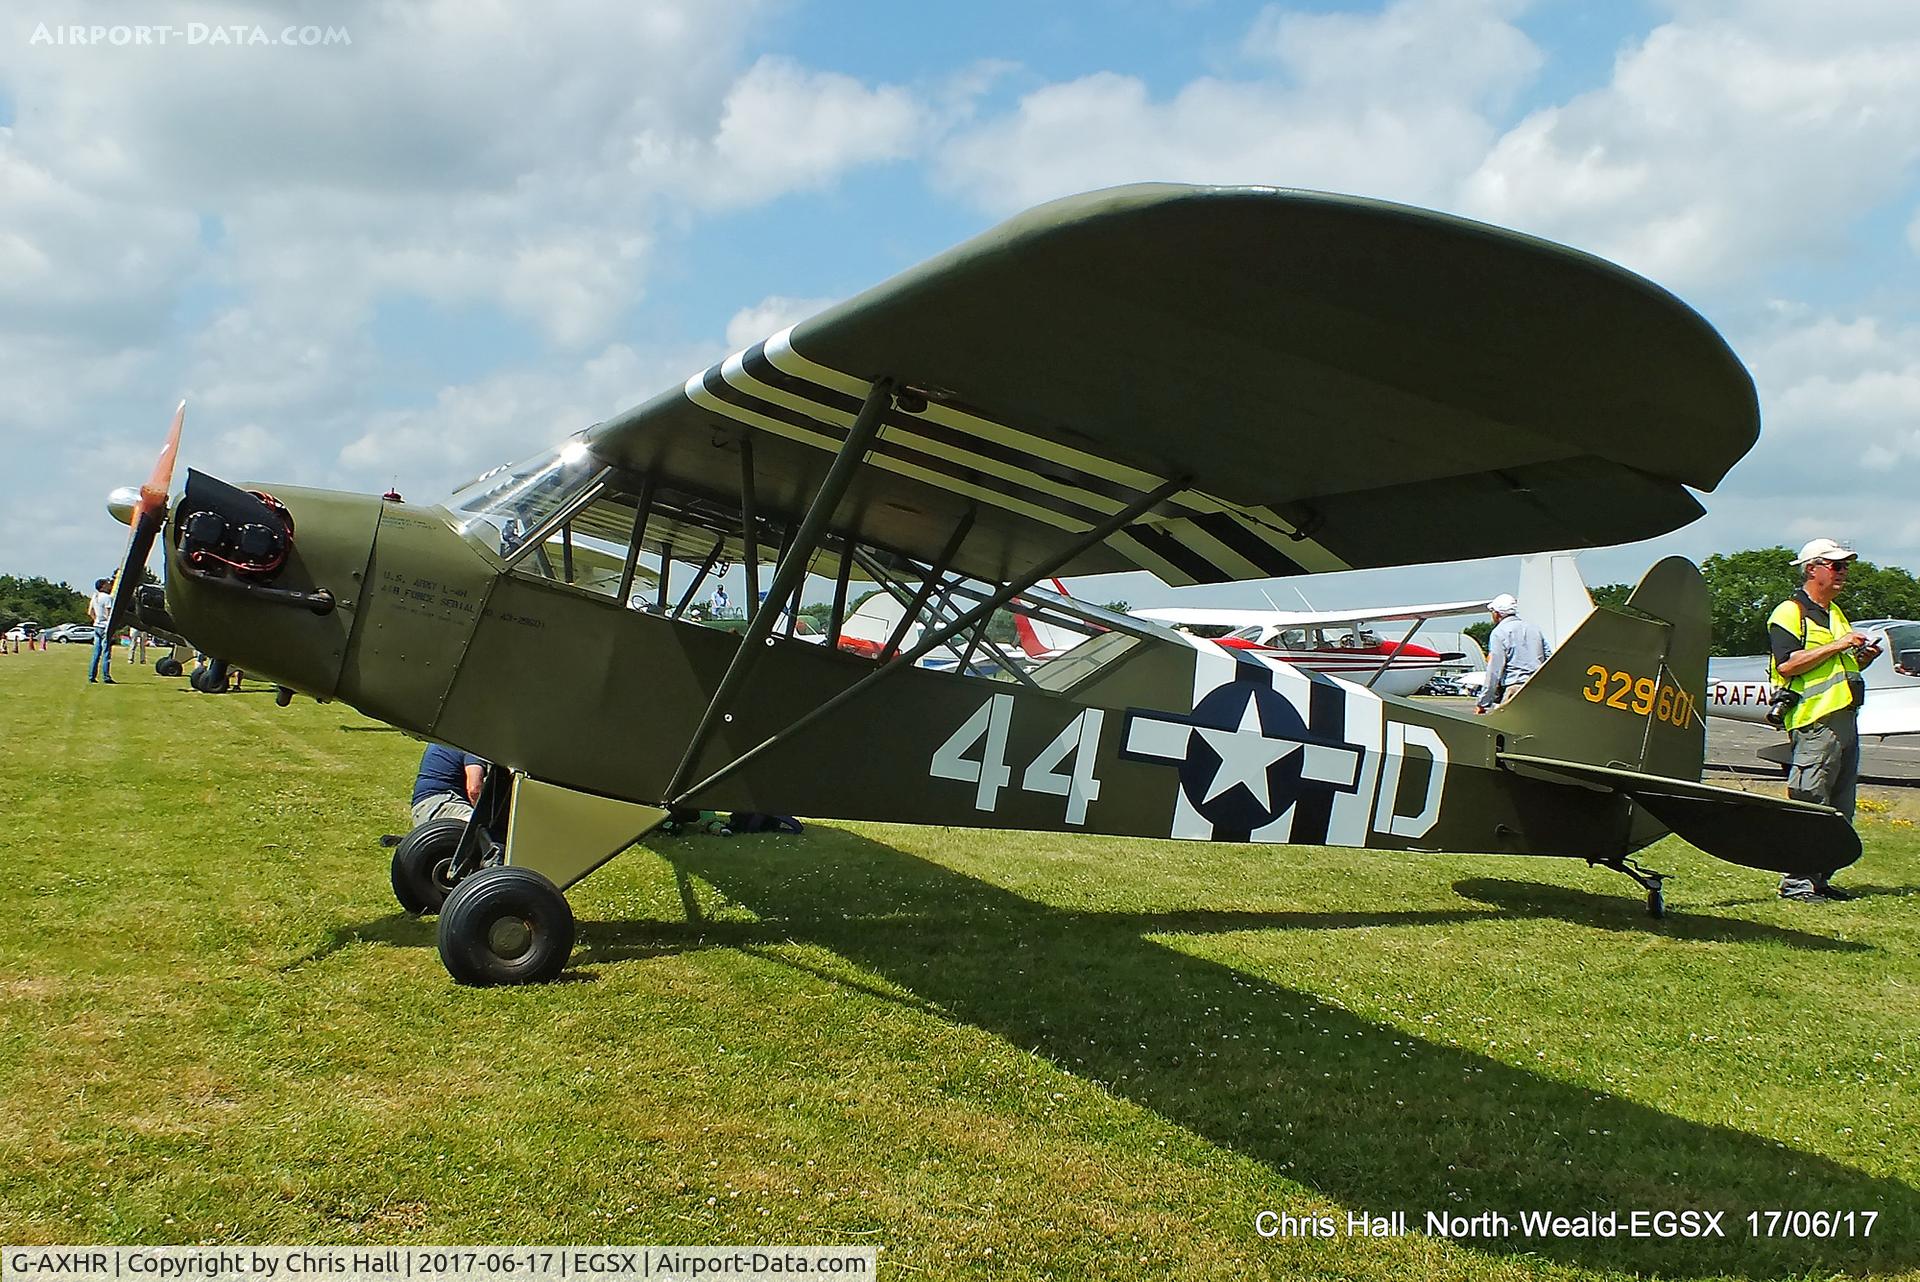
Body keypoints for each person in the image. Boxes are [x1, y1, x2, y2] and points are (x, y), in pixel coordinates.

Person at [1770, 538, 1880, 902]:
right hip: (1815, 722)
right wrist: (1840, 645)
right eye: (1836, 566)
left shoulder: (1834, 614)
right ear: (1812, 569)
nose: (1843, 572)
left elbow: (1836, 666)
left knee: (1839, 808)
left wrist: (1863, 657)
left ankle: (1820, 879)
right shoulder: (1790, 611)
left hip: (1844, 720)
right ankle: (1797, 884)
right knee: (1809, 801)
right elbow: (1787, 664)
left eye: (1845, 566)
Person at [1474, 593, 1550, 713]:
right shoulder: (1534, 629)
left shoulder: (1499, 633)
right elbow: (1548, 657)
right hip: (1537, 688)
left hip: (1514, 688)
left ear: (1497, 613)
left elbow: (1494, 670)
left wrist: (1483, 702)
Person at [410, 742, 488, 826]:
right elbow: (474, 790)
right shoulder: (474, 741)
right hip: (442, 804)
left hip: (422, 808)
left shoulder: (448, 736)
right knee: (483, 831)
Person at [87, 578, 116, 684]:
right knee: (106, 652)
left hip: (97, 626)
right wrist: (111, 627)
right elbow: (109, 614)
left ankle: (92, 676)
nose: (110, 585)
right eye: (107, 583)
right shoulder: (108, 598)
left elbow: (90, 612)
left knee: (96, 652)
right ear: (103, 586)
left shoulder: (95, 597)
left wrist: (96, 620)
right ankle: (106, 676)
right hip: (105, 627)